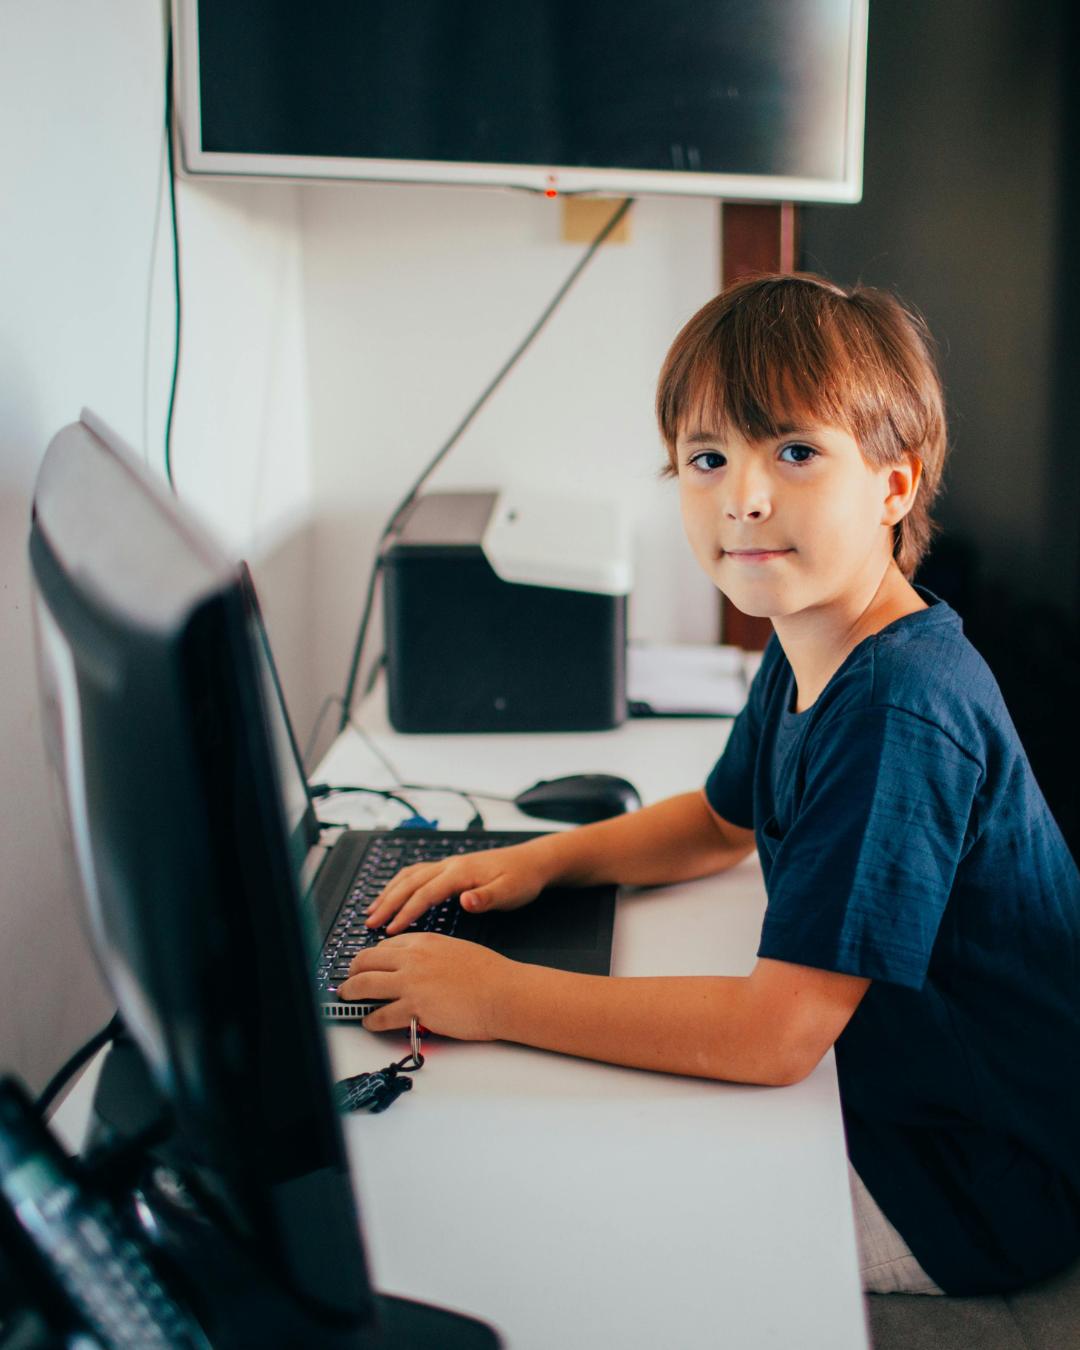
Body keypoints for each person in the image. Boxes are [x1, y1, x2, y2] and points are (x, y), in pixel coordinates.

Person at [340, 273, 1080, 1297]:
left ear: (894, 487)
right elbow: (720, 822)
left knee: (566, 1216)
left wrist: (495, 996)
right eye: (707, 458)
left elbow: (775, 1037)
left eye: (795, 451)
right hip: (895, 1094)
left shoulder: (899, 708)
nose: (743, 496)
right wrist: (542, 861)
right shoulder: (813, 631)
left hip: (975, 1178)